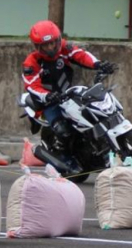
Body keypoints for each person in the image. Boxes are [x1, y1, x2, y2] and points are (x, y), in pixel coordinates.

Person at [22, 20, 117, 165]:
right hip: (47, 102)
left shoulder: (64, 48)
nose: (50, 48)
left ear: (58, 40)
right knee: (63, 129)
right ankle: (64, 159)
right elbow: (32, 86)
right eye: (45, 45)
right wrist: (47, 95)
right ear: (37, 47)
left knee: (93, 114)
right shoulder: (31, 62)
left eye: (52, 43)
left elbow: (80, 55)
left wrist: (98, 64)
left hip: (67, 95)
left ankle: (99, 148)